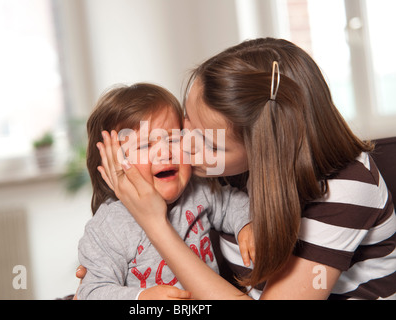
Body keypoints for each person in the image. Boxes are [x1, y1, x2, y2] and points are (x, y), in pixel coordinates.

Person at [95, 38, 396, 300]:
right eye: (186, 122)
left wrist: (154, 225)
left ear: (266, 151)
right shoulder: (221, 166)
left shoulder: (346, 188)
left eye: (211, 145)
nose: (184, 147)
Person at [77, 83, 252, 300]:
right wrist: (141, 298)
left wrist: (246, 224)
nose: (165, 152)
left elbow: (231, 202)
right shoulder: (109, 227)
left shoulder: (199, 192)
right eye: (144, 146)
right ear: (113, 166)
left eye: (174, 139)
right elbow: (90, 292)